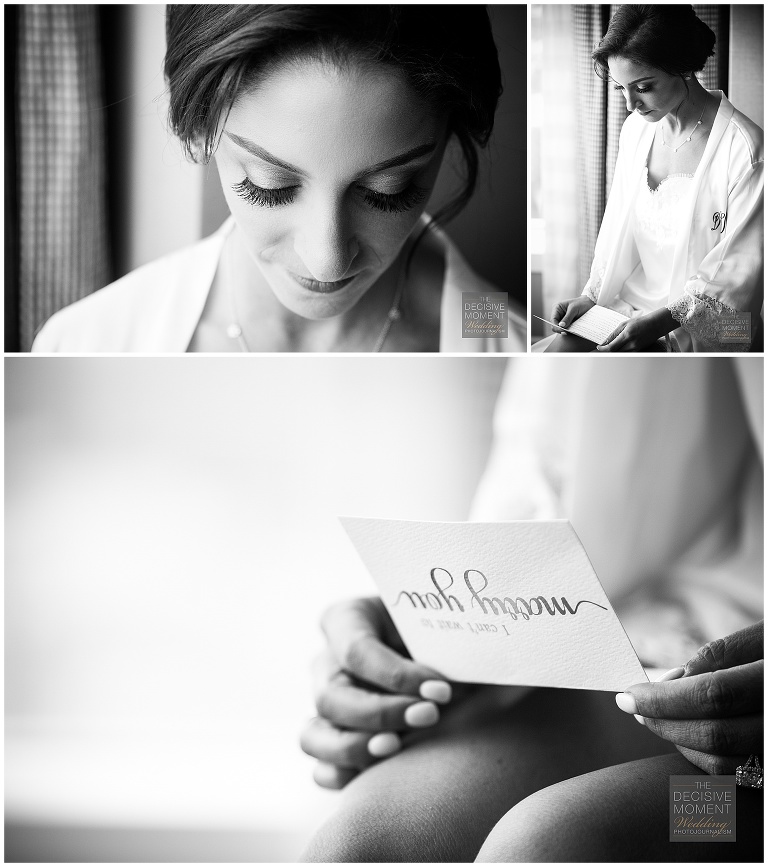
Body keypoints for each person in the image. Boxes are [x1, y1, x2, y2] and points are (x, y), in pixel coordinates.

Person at [299, 357, 764, 861]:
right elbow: (548, 461)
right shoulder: (563, 299)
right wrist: (453, 617)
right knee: (360, 848)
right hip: (642, 663)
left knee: (555, 843)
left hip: (751, 783)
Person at [31, 5, 525, 353]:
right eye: (268, 185)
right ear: (199, 128)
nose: (327, 262)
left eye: (387, 191)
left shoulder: (506, 337)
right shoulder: (87, 341)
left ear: (447, 139)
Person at [537, 5, 763, 353]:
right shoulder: (635, 132)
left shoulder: (746, 152)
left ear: (683, 67)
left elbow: (737, 279)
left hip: (698, 325)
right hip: (628, 310)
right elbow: (616, 229)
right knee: (553, 354)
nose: (630, 104)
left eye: (643, 86)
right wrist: (591, 297)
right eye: (620, 88)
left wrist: (659, 324)